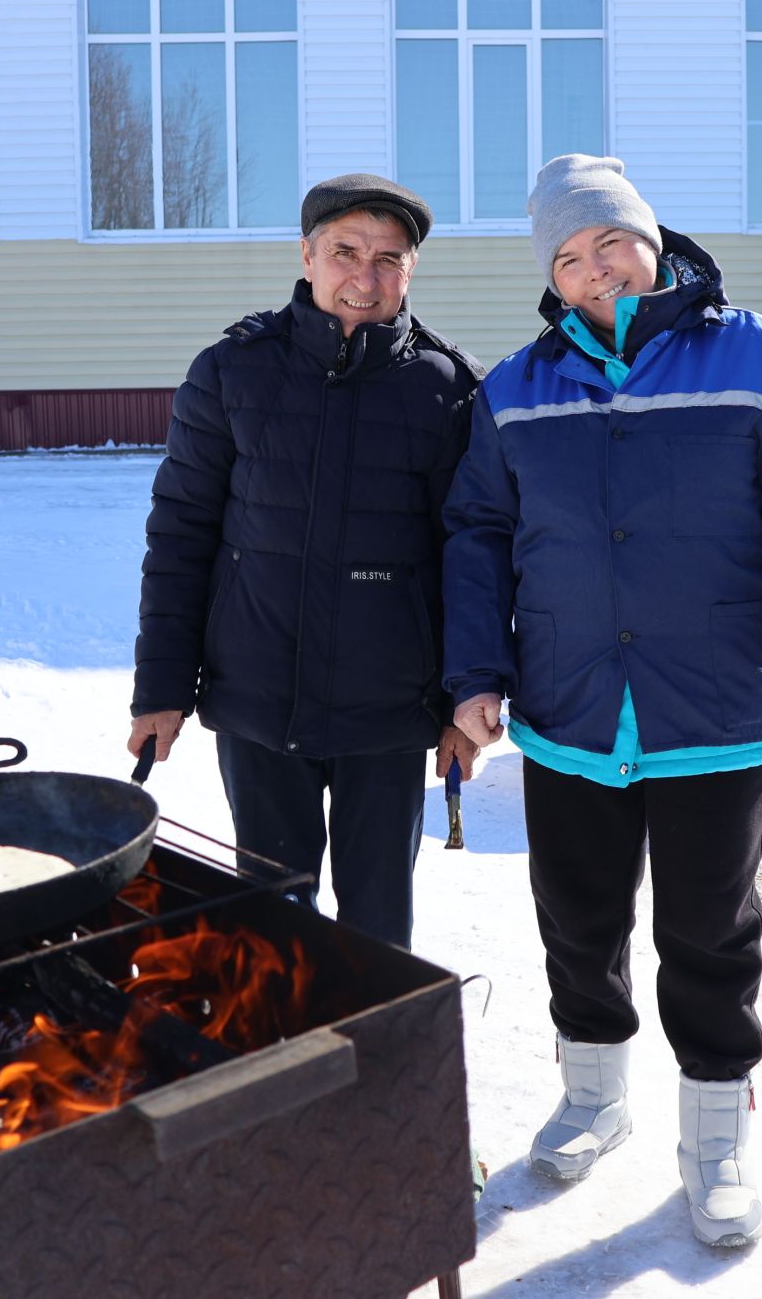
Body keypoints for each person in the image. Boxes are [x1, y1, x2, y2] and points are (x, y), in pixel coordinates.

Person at [444, 154, 762, 1248]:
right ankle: (594, 1098)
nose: (595, 271)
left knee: (708, 935)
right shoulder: (517, 388)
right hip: (572, 714)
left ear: (652, 237)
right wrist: (476, 674)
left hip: (714, 715)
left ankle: (716, 1136)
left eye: (609, 243)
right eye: (569, 258)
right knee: (577, 925)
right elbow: (480, 537)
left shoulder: (760, 359)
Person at [129, 174, 482, 950]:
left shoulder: (448, 391)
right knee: (269, 924)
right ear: (307, 255)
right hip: (258, 700)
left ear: (411, 270)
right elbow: (182, 534)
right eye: (346, 252)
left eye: (390, 258)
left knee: (377, 932)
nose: (366, 277)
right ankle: (284, 1066)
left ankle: (377, 1066)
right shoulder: (231, 373)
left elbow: (473, 559)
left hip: (389, 715)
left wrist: (468, 700)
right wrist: (160, 690)